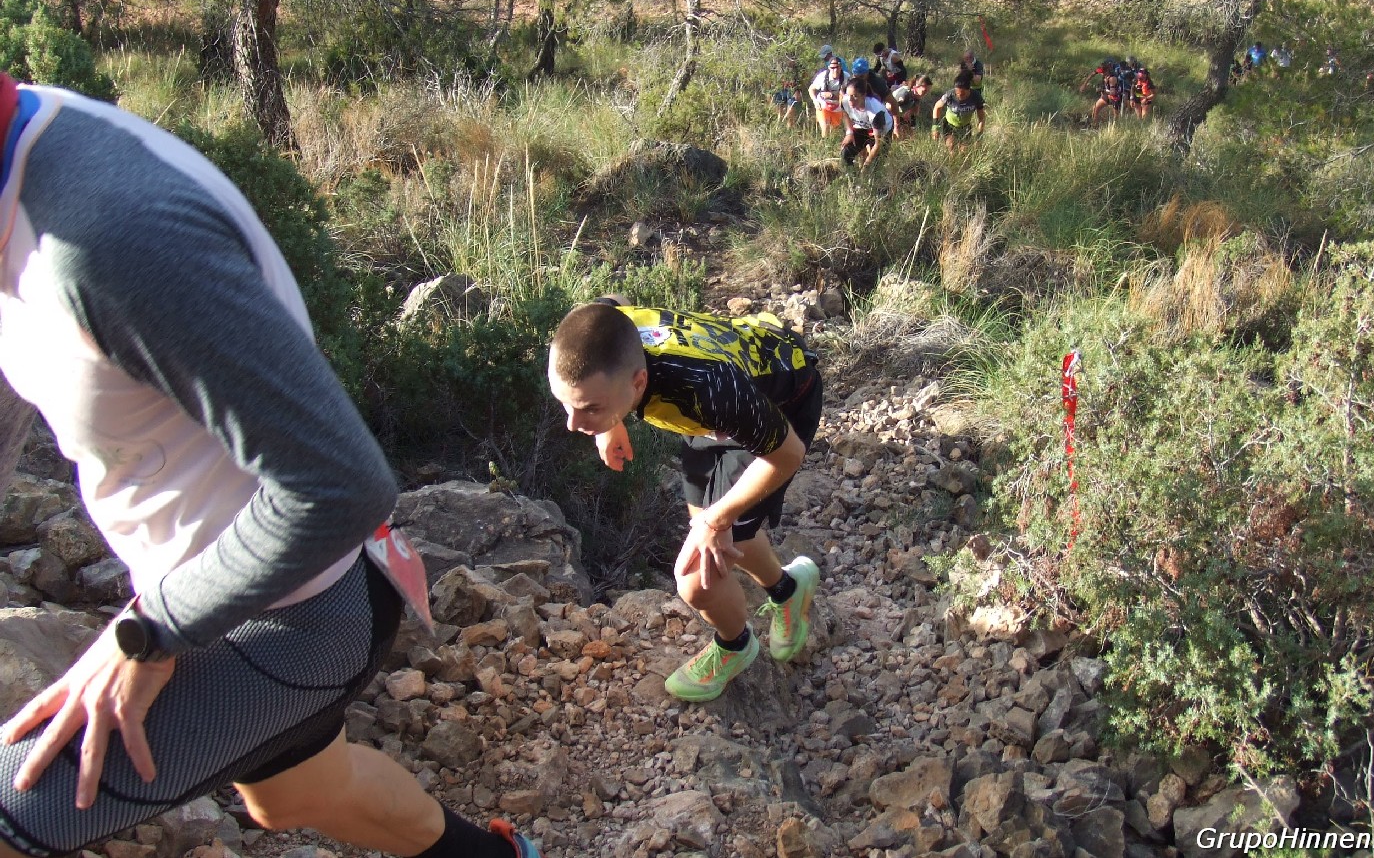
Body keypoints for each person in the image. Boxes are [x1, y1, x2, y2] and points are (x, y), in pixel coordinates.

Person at [0, 74, 537, 858]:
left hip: (295, 612)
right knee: (297, 796)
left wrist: (148, 631)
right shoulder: (27, 150)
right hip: (216, 585)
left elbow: (341, 487)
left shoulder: (108, 239)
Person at [547, 300, 823, 703]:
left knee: (696, 576)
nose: (573, 424)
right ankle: (787, 588)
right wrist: (607, 422)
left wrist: (716, 519)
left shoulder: (709, 389)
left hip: (778, 406)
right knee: (723, 533)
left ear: (638, 382)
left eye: (590, 408)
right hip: (715, 411)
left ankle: (736, 646)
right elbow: (610, 307)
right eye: (566, 404)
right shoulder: (611, 335)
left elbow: (788, 455)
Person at [839, 80, 892, 167]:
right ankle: (851, 174)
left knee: (875, 164)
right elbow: (845, 114)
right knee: (846, 152)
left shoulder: (875, 111)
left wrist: (866, 165)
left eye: (855, 96)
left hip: (882, 131)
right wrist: (849, 133)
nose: (850, 100)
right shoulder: (845, 101)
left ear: (863, 95)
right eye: (848, 95)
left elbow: (878, 144)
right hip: (862, 127)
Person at [932, 71, 987, 147]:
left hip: (965, 127)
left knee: (964, 151)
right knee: (951, 146)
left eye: (963, 94)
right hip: (949, 126)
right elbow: (937, 107)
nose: (959, 97)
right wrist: (935, 126)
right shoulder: (949, 95)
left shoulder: (976, 96)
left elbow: (981, 118)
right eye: (957, 94)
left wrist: (979, 134)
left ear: (969, 89)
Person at [807, 57, 848, 137]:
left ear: (841, 67)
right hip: (823, 105)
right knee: (825, 128)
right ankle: (823, 142)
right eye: (832, 68)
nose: (835, 70)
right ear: (829, 67)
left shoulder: (846, 77)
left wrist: (833, 95)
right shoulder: (822, 76)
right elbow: (811, 89)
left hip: (837, 107)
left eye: (837, 67)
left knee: (833, 132)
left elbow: (849, 94)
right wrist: (815, 101)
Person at [1079, 59, 1125, 125]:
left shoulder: (1112, 78)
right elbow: (1092, 74)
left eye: (1104, 72)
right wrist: (1084, 84)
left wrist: (1102, 90)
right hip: (1106, 94)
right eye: (1101, 72)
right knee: (1095, 108)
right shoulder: (1101, 70)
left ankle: (1116, 126)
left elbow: (1113, 93)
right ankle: (1094, 124)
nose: (1102, 73)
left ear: (1108, 70)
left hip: (1116, 96)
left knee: (1116, 116)